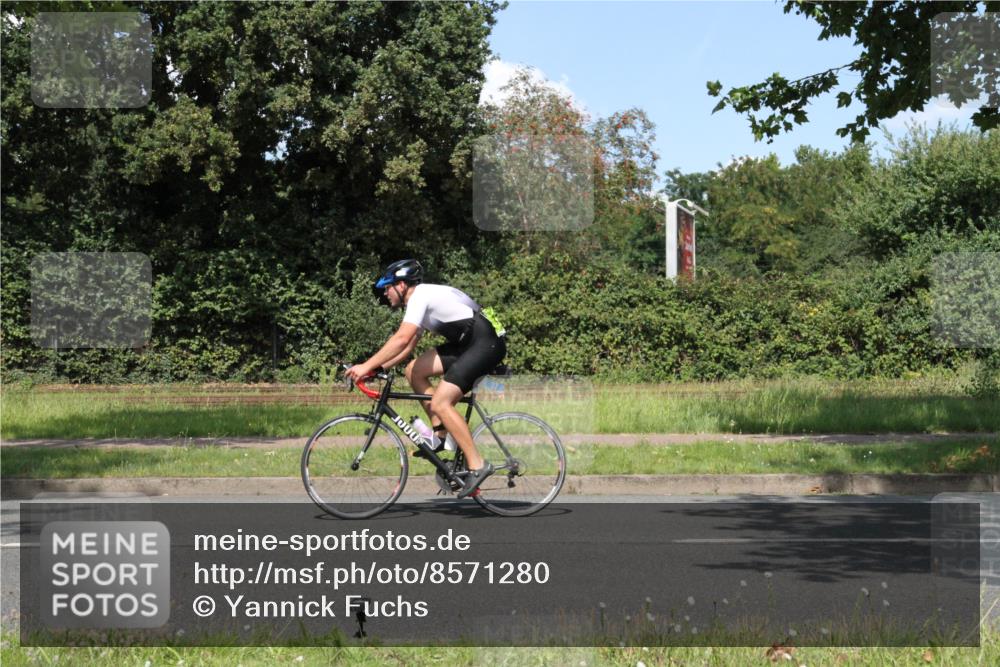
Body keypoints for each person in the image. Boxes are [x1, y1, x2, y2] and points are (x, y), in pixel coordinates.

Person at [345, 259, 507, 499]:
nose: (385, 293)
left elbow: (401, 338)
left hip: (485, 343)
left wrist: (366, 365)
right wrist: (374, 370)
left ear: (401, 285)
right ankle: (440, 435)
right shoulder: (420, 299)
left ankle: (477, 464)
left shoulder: (420, 296)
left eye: (387, 287)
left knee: (442, 402)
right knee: (413, 371)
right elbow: (408, 346)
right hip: (468, 343)